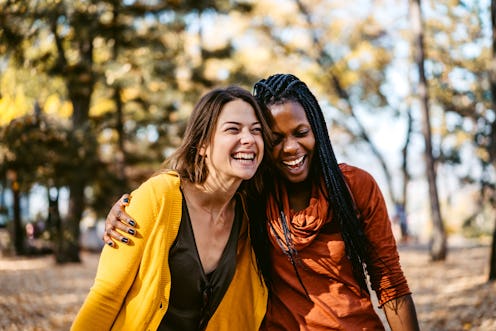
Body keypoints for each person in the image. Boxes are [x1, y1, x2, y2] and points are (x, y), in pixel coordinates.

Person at [104, 74, 420, 330]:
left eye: (301, 132)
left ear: (317, 131)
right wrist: (127, 208)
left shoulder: (354, 186)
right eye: (276, 138)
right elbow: (198, 189)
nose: (290, 147)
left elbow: (391, 284)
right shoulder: (252, 194)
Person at [72, 86, 273, 331]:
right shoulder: (159, 197)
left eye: (256, 131)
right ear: (202, 145)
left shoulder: (249, 220)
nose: (249, 139)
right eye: (233, 129)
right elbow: (105, 296)